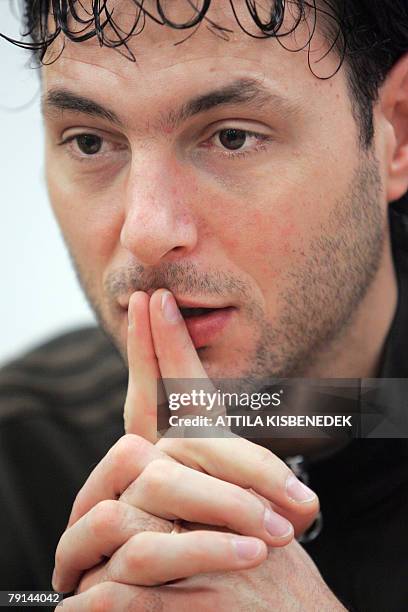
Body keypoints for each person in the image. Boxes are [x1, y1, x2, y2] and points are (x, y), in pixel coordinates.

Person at [1, 1, 408, 609]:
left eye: (232, 137)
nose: (146, 231)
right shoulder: (16, 459)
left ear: (395, 131)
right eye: (90, 141)